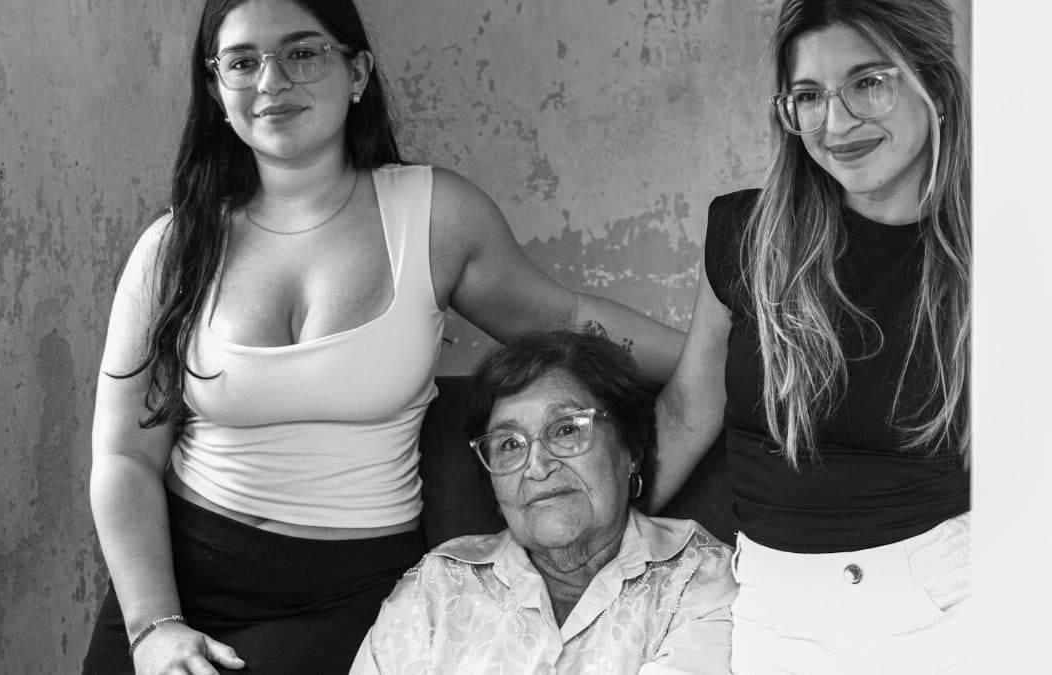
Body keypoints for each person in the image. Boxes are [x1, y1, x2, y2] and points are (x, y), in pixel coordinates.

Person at [82, 1, 685, 673]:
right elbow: (123, 456)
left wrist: (721, 357)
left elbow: (570, 320)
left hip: (345, 596)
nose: (271, 81)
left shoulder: (433, 217)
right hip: (173, 588)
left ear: (358, 71)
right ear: (215, 88)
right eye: (243, 62)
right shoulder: (172, 248)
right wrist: (154, 625)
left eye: (302, 52)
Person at [650, 1, 970, 673]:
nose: (837, 121)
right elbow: (686, 411)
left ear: (935, 85)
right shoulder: (748, 236)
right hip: (769, 603)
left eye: (868, 82)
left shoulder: (1003, 247)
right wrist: (577, 544)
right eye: (809, 95)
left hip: (945, 600)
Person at [351, 330, 735, 675]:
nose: (537, 466)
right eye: (509, 445)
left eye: (567, 429)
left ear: (630, 448)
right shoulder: (435, 588)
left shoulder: (701, 580)